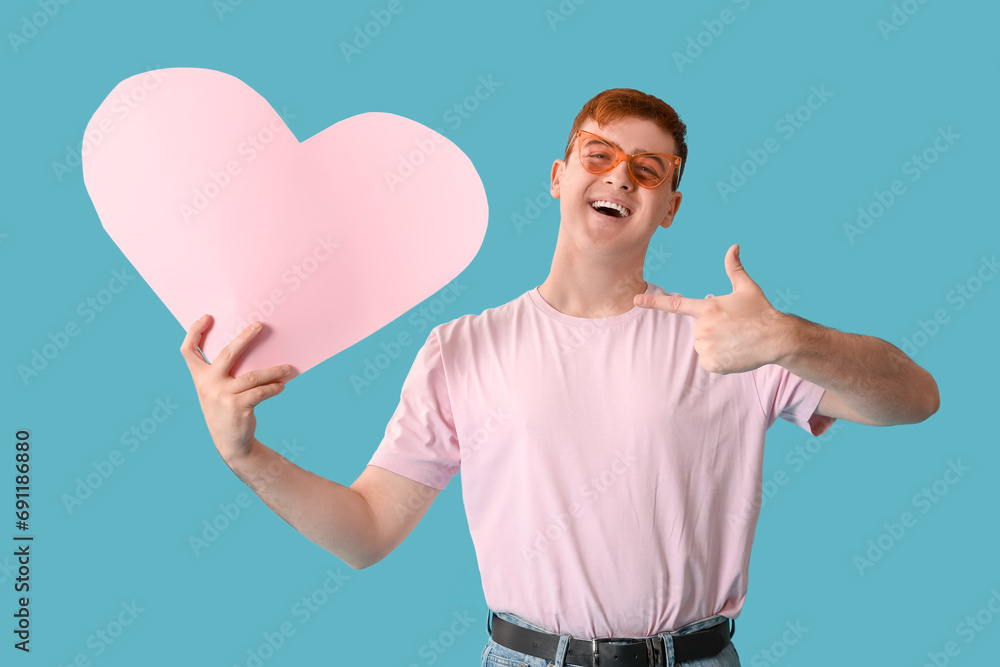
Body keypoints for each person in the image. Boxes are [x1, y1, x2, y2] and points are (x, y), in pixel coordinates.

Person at [180, 88, 940, 667]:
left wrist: (788, 337)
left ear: (669, 207)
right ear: (558, 175)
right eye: (598, 154)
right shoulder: (463, 347)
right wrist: (246, 456)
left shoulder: (729, 340)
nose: (620, 177)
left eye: (649, 170)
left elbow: (914, 398)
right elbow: (366, 532)